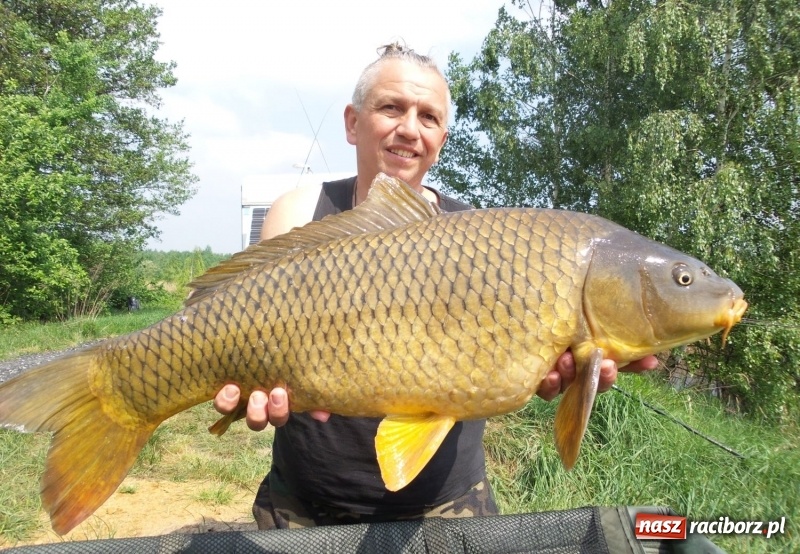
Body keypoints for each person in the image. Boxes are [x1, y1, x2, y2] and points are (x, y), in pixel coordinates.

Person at [214, 43, 658, 529]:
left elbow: (531, 356)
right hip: (305, 504)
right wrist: (244, 390)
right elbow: (239, 329)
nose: (409, 128)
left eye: (428, 117)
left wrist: (565, 366)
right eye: (391, 108)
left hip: (448, 503)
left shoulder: (481, 237)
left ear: (441, 138)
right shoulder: (297, 213)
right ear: (352, 122)